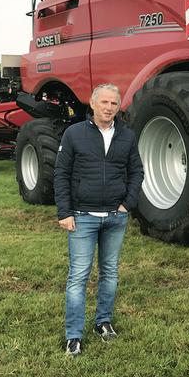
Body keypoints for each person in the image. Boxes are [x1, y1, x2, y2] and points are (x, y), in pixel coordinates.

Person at [55, 83, 144, 356]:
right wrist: (65, 212)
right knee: (78, 276)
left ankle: (103, 322)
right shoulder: (74, 134)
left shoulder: (127, 136)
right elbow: (61, 174)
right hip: (82, 217)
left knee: (110, 273)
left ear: (119, 107)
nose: (108, 108)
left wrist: (127, 203)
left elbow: (137, 171)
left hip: (115, 218)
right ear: (92, 104)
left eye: (114, 104)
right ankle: (74, 335)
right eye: (103, 102)